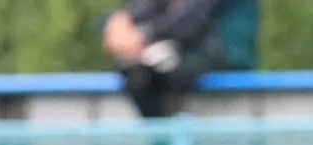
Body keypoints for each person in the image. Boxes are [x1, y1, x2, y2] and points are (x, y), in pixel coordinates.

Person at [102, 0, 258, 119]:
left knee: (152, 73)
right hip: (177, 58)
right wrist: (120, 22)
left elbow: (190, 20)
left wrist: (141, 34)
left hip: (220, 59)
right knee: (136, 72)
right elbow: (143, 11)